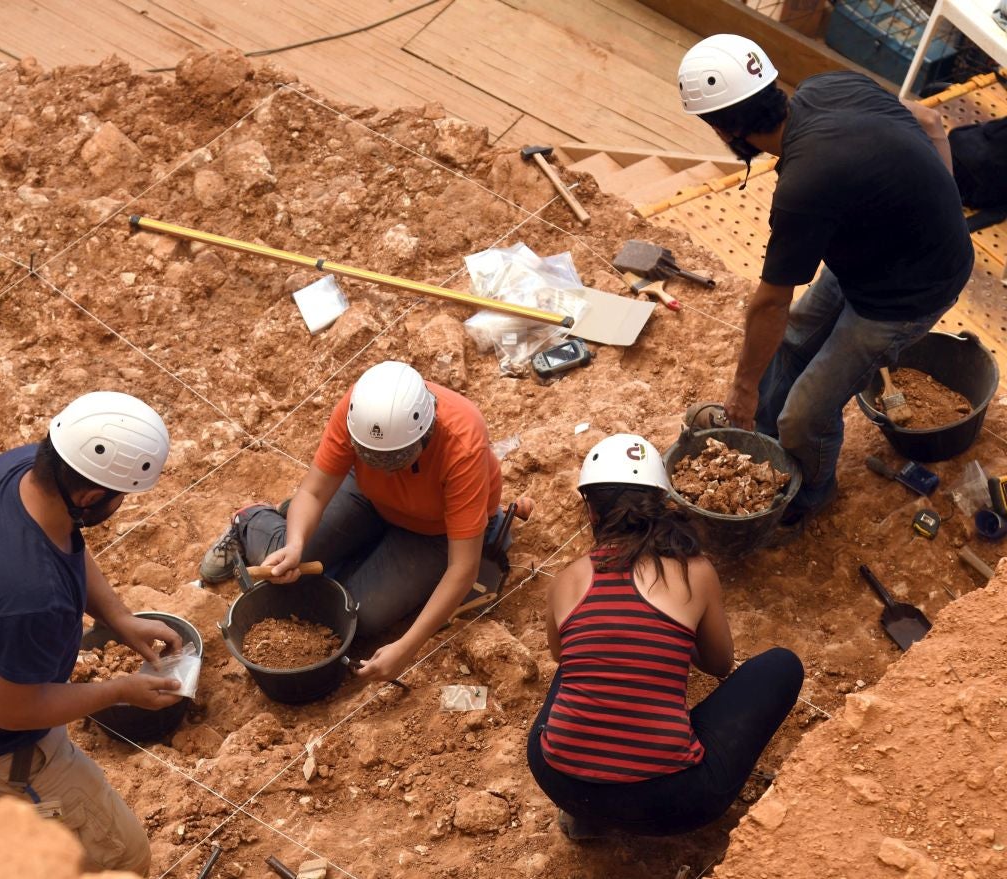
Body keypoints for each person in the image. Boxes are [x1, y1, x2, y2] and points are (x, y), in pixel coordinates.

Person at [677, 35, 974, 527]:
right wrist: (942, 208)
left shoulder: (804, 185)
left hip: (907, 295)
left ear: (723, 127)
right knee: (795, 337)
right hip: (875, 246)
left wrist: (743, 390)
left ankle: (809, 496)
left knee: (806, 416)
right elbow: (926, 119)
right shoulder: (832, 87)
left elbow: (769, 303)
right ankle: (767, 440)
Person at [0, 391, 183, 876]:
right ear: (92, 498)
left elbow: (65, 542)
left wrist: (118, 617)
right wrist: (119, 691)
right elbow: (14, 710)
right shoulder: (30, 598)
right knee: (122, 857)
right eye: (121, 497)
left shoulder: (15, 470)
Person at [527, 434, 803, 838]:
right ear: (663, 503)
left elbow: (559, 655)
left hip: (562, 782)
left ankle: (590, 816)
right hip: (672, 803)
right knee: (782, 666)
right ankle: (629, 797)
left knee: (577, 660)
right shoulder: (695, 570)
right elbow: (719, 664)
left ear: (591, 512)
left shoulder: (568, 579)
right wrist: (676, 633)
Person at [199, 360, 523, 683]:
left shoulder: (462, 442)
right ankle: (250, 519)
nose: (385, 468)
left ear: (426, 434)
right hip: (368, 496)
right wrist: (296, 543)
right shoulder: (360, 410)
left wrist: (407, 647)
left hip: (432, 531)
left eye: (395, 459)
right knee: (283, 559)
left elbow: (462, 568)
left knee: (355, 617)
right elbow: (313, 493)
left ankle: (357, 552)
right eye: (372, 457)